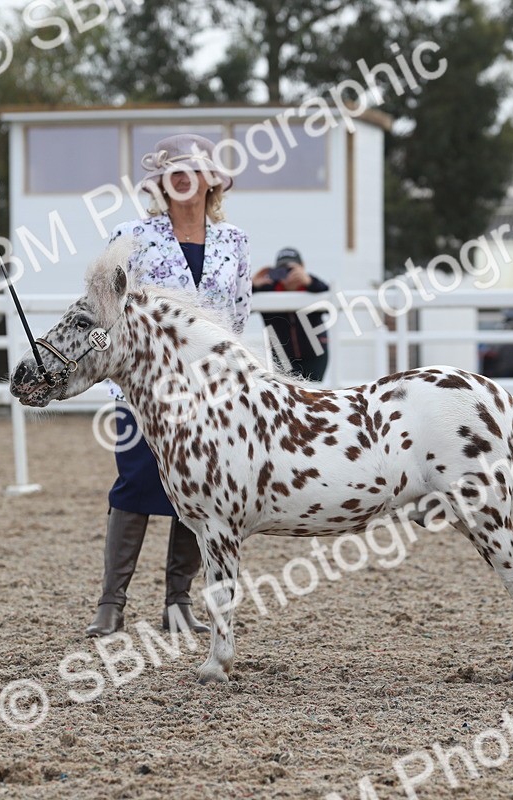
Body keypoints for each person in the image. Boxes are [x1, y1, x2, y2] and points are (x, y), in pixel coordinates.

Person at [86, 133, 252, 638]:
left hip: (210, 391)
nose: (183, 176)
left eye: (193, 169)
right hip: (142, 390)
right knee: (135, 486)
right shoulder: (130, 235)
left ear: (210, 182)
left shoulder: (235, 242)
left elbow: (239, 316)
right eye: (173, 170)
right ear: (160, 182)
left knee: (198, 491)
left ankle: (177, 604)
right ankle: (110, 606)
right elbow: (103, 306)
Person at [252, 248, 331, 381]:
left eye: (292, 269)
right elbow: (241, 307)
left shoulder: (313, 287)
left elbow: (330, 298)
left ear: (302, 268)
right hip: (281, 356)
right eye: (282, 270)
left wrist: (309, 281)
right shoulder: (267, 290)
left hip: (315, 353)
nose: (288, 274)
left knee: (314, 393)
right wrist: (252, 284)